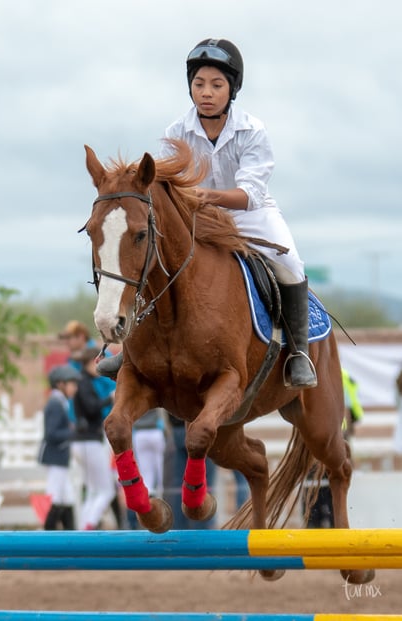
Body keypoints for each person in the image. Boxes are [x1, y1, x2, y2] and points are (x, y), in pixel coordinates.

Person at [99, 38, 316, 389]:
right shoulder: (176, 131)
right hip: (195, 217)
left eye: (217, 85)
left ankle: (298, 354)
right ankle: (131, 349)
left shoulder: (252, 130)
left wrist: (208, 195)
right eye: (199, 84)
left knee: (292, 264)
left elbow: (249, 194)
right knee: (153, 258)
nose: (206, 93)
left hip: (250, 213)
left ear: (232, 88)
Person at [302, 368, 364, 528]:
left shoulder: (317, 371)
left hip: (323, 443)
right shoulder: (342, 374)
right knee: (327, 499)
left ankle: (319, 534)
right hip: (332, 441)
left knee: (318, 500)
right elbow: (348, 414)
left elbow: (345, 413)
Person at [72, 347, 117, 530]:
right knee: (107, 491)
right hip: (89, 441)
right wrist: (109, 399)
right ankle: (88, 527)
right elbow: (91, 408)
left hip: (84, 442)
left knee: (92, 491)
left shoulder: (83, 381)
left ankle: (84, 529)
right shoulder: (84, 382)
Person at [38, 364, 81, 530]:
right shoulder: (55, 403)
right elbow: (51, 433)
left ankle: (70, 537)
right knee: (56, 496)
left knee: (66, 497)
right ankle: (49, 535)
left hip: (60, 457)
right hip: (56, 457)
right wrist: (72, 432)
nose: (75, 388)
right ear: (60, 384)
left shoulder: (60, 402)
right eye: (72, 384)